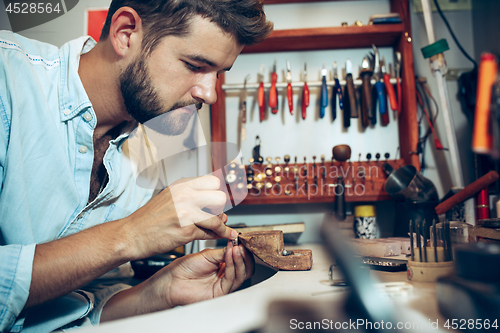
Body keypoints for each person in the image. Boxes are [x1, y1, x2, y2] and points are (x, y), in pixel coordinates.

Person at [0, 0, 273, 331]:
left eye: (218, 73)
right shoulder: (8, 81)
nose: (209, 94)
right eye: (194, 66)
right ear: (125, 33)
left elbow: (61, 311)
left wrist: (161, 292)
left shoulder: (159, 140)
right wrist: (129, 235)